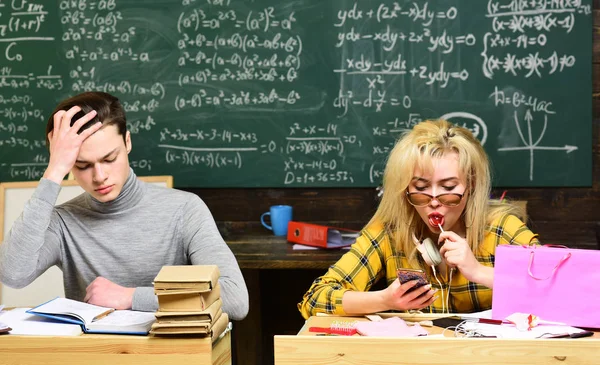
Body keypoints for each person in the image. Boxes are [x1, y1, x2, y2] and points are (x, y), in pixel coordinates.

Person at [0, 91, 249, 320]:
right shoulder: (63, 221)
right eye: (82, 166)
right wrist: (53, 172)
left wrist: (131, 298)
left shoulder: (185, 210)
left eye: (110, 159)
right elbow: (13, 274)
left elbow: (235, 299)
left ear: (127, 142)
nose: (99, 176)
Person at [298, 119, 539, 318]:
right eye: (421, 187)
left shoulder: (500, 227)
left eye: (448, 187)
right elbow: (315, 299)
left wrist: (479, 272)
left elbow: (562, 291)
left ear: (471, 185)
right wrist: (384, 299)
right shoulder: (389, 232)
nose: (434, 200)